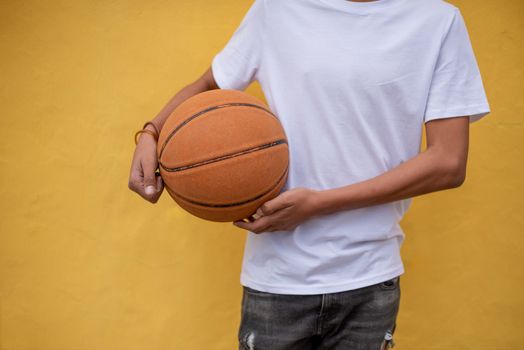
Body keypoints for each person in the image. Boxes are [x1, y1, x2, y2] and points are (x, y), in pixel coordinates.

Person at [128, 0, 490, 348]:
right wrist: (151, 133)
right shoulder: (278, 8)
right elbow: (209, 85)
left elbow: (448, 162)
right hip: (277, 278)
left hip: (370, 275)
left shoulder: (438, 21)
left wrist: (318, 204)